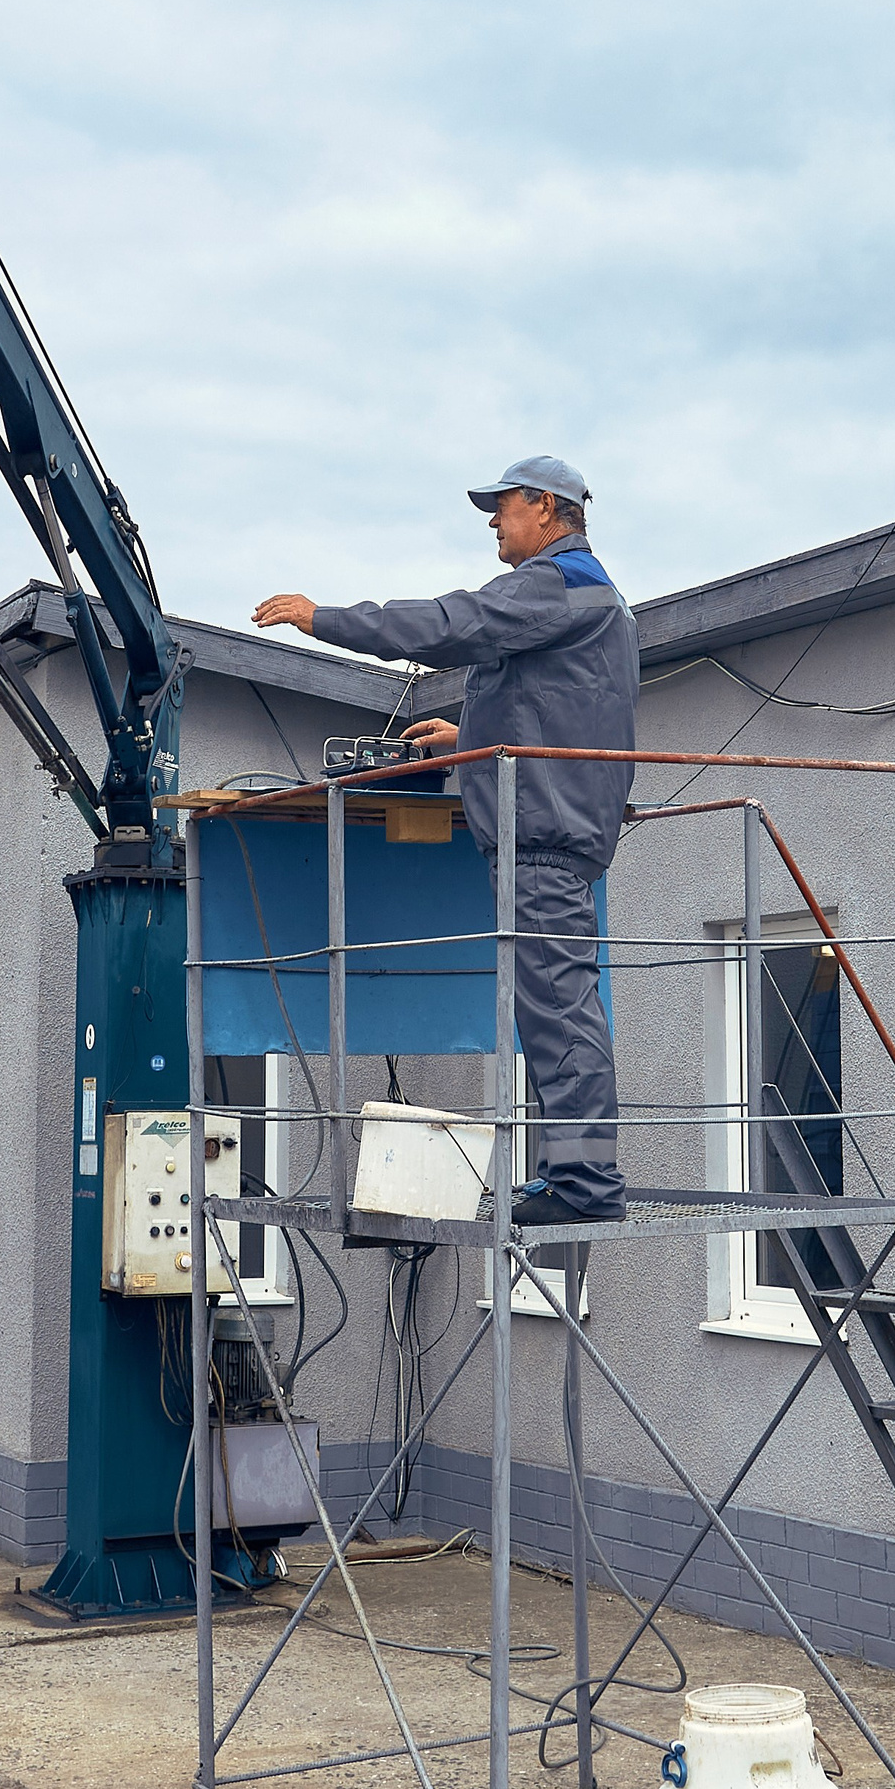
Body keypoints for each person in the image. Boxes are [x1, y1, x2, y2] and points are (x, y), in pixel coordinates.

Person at [253, 454, 638, 1228]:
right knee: (552, 1010)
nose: (494, 522)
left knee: (559, 1011)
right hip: (551, 829)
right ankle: (572, 1175)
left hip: (544, 839)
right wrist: (470, 737)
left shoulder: (557, 584)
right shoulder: (590, 600)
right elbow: (562, 711)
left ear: (544, 505)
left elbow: (449, 622)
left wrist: (323, 618)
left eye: (502, 507)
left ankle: (587, 1183)